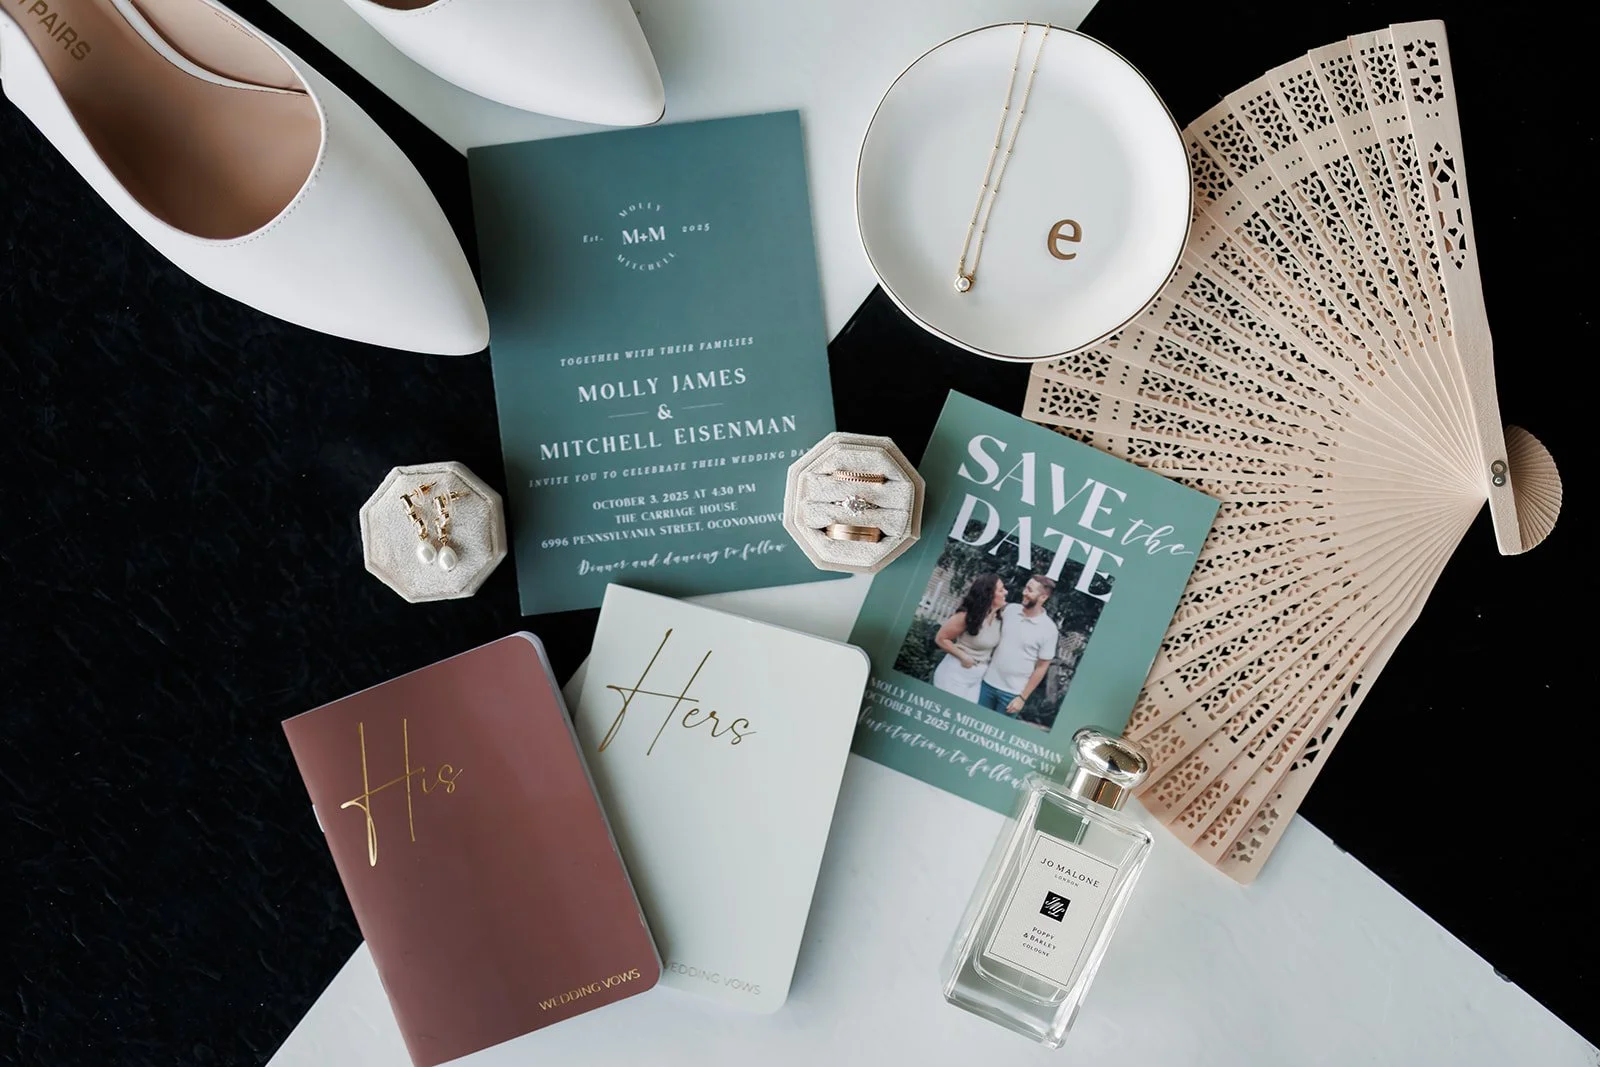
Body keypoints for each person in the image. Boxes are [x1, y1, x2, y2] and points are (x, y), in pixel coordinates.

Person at [979, 574, 1060, 717]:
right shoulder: (1010, 610)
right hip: (986, 684)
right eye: (1025, 588)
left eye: (1030, 590)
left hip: (1012, 695)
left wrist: (1022, 698)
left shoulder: (1050, 630)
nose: (1024, 592)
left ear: (1043, 597)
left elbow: (1042, 667)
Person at [930, 574, 1007, 702]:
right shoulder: (966, 616)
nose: (1006, 592)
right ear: (989, 595)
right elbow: (941, 638)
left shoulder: (999, 619)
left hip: (976, 678)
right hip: (955, 673)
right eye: (1001, 590)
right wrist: (963, 656)